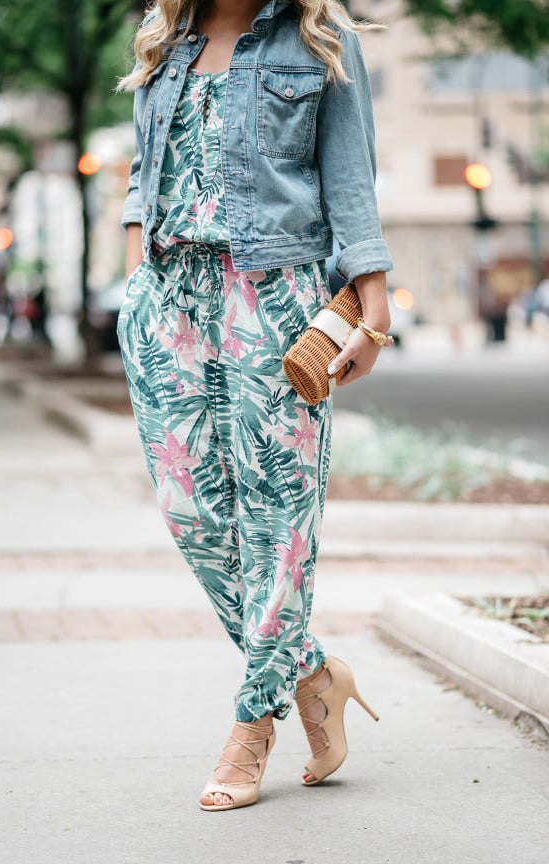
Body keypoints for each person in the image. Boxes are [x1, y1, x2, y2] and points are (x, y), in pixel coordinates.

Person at [118, 0, 393, 811]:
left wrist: (373, 315)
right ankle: (312, 673)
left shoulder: (321, 38)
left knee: (278, 517)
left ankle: (252, 724)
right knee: (191, 512)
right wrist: (137, 282)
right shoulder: (166, 37)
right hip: (167, 297)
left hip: (274, 297)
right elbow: (144, 174)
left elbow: (350, 182)